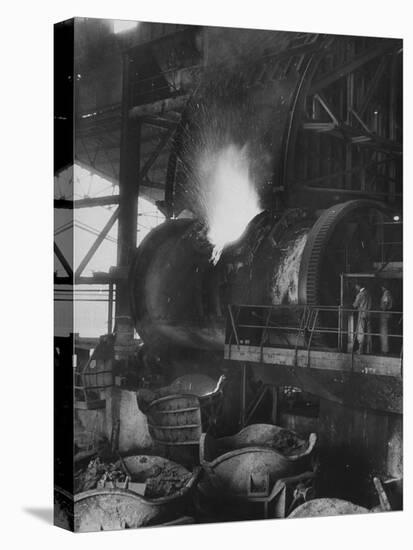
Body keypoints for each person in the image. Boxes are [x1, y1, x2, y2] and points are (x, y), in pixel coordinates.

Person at [353, 283, 372, 354]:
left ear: (358, 286)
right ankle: (368, 350)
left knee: (361, 332)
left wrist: (353, 304)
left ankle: (360, 350)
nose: (355, 288)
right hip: (369, 314)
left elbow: (355, 305)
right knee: (368, 332)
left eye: (356, 286)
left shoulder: (360, 294)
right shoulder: (368, 293)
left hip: (362, 314)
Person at [380, 284, 393, 354]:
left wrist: (382, 310)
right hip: (388, 314)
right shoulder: (389, 293)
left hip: (385, 314)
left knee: (384, 332)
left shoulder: (386, 294)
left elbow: (385, 304)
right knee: (386, 332)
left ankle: (385, 350)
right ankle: (386, 349)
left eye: (382, 287)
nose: (381, 288)